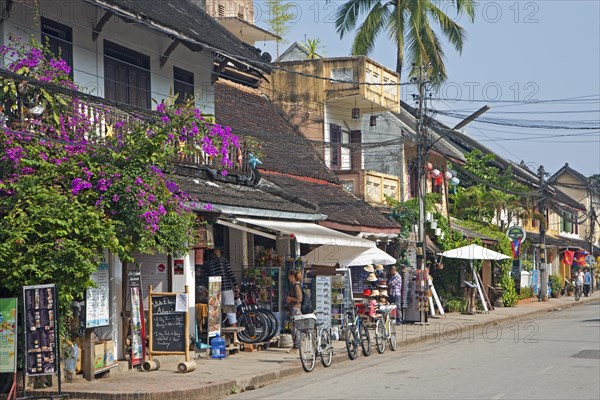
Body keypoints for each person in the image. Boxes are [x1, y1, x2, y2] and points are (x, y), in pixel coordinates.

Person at [201, 248, 238, 326]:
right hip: (226, 289)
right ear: (216, 253)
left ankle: (216, 333)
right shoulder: (223, 261)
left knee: (215, 312)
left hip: (214, 290)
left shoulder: (207, 264)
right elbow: (230, 273)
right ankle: (234, 335)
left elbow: (204, 278)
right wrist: (236, 286)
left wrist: (207, 288)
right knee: (230, 310)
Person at [286, 270, 303, 351]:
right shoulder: (293, 285)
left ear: (292, 276)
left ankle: (296, 346)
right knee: (293, 328)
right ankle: (296, 345)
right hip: (293, 309)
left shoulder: (296, 286)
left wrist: (290, 298)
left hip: (296, 310)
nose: (288, 278)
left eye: (289, 276)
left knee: (295, 328)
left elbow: (299, 299)